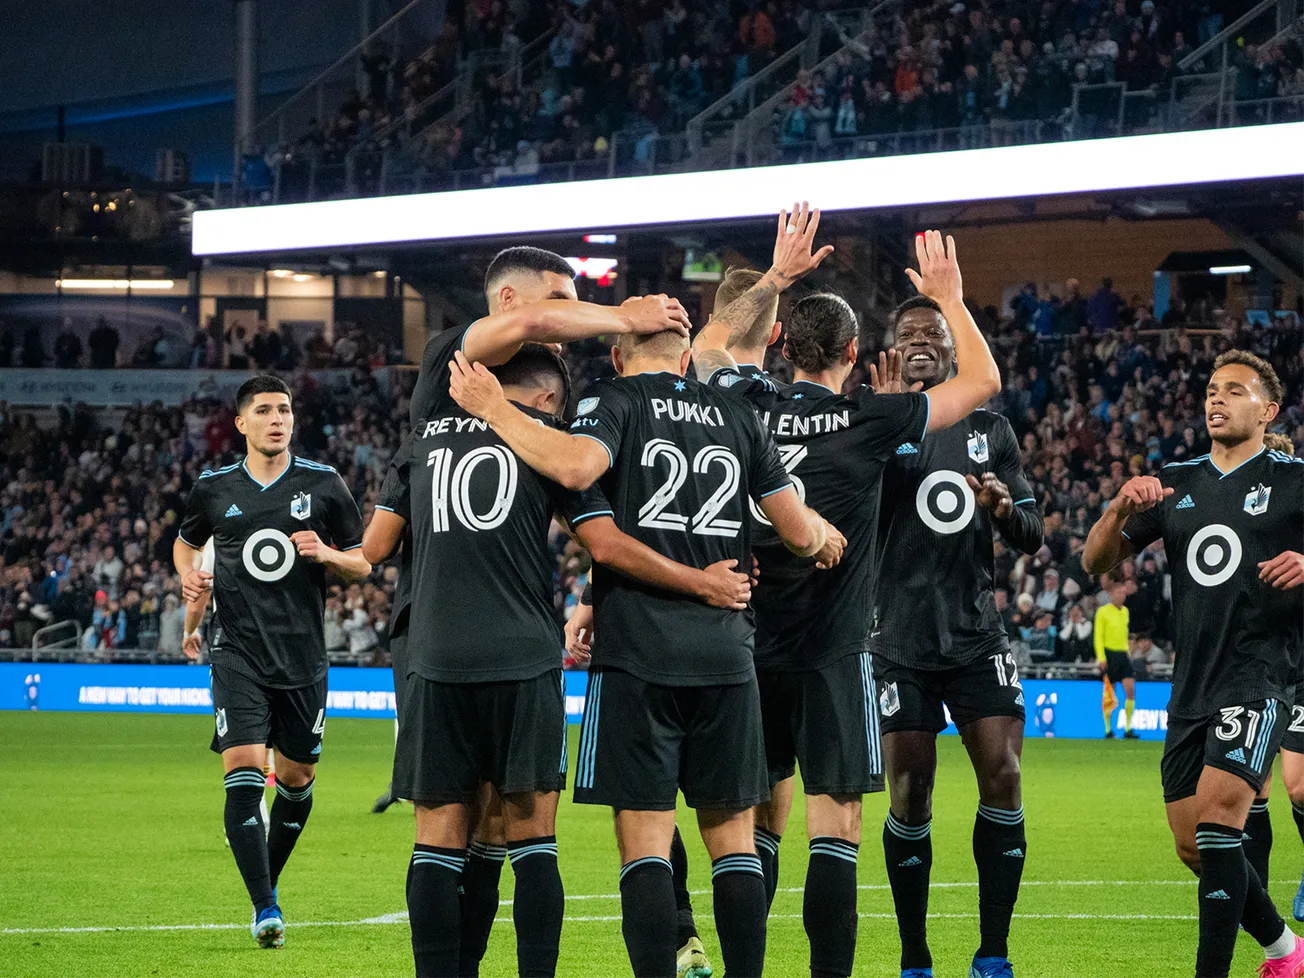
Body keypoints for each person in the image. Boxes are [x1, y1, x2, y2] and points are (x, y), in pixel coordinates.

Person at [448, 304, 843, 978]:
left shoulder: (615, 398)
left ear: (620, 356)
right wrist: (821, 536)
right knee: (735, 844)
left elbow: (574, 468)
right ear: (685, 358)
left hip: (640, 657)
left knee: (646, 846)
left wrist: (495, 409)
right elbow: (799, 533)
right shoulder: (739, 416)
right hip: (726, 656)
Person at [693, 214, 1003, 978]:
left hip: (748, 650)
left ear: (783, 350)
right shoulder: (873, 416)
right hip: (834, 655)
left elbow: (704, 347)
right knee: (836, 826)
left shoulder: (750, 404)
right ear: (857, 355)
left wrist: (776, 277)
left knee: (754, 827)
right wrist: (950, 298)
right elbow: (985, 384)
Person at [1083, 350, 1304, 978]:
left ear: (1268, 410)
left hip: (1260, 676)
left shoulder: (1293, 480)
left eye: (1235, 391)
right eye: (1212, 389)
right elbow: (1095, 563)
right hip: (1191, 687)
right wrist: (1120, 509)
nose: (1217, 399)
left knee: (1216, 824)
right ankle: (1286, 950)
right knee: (1195, 847)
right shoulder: (1177, 483)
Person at [865, 282, 1041, 978]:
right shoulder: (870, 423)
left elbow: (1028, 534)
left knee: (1003, 774)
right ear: (890, 351)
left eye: (933, 334)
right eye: (907, 334)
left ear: (950, 350)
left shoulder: (990, 431)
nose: (920, 343)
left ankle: (993, 953)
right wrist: (877, 432)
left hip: (975, 636)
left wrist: (1000, 505)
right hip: (898, 641)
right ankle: (914, 956)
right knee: (909, 792)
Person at [173, 375, 371, 949]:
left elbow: (362, 563)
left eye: (284, 409)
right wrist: (189, 573)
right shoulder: (213, 487)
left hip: (304, 657)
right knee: (242, 771)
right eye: (263, 411)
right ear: (241, 424)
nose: (276, 419)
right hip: (237, 652)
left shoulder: (324, 484)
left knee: (297, 778)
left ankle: (266, 879)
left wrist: (328, 553)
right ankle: (265, 907)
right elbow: (187, 544)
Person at [1242, 433, 1304, 921]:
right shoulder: (1239, 523)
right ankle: (1257, 899)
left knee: (1298, 787)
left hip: (1300, 670)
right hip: (1254, 667)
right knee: (1253, 788)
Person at [1094, 583, 1138, 738]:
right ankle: (1108, 729)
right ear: (1112, 594)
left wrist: (1128, 653)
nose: (1122, 596)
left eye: (1124, 593)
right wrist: (1101, 657)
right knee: (1109, 693)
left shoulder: (1125, 612)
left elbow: (1124, 634)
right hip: (1109, 653)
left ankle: (1127, 728)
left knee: (1130, 689)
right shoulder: (1103, 612)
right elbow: (1098, 636)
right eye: (1119, 593)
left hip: (1123, 654)